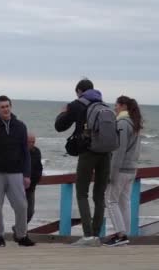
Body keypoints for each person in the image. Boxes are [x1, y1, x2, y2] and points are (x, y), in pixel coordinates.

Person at [55, 78, 110, 247]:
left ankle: (87, 237)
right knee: (99, 195)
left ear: (79, 91)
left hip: (88, 153)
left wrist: (63, 112)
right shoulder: (104, 106)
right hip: (106, 153)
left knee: (82, 193)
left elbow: (60, 126)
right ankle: (96, 235)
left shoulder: (76, 104)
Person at [0, 95, 34, 247]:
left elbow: (25, 152)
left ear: (11, 107)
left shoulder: (20, 126)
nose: (5, 109)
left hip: (16, 172)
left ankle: (21, 236)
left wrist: (27, 174)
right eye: (2, 107)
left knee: (22, 205)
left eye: (7, 106)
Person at [105, 96, 143, 247]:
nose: (114, 108)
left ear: (123, 106)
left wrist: (111, 174)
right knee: (124, 202)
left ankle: (121, 234)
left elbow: (118, 151)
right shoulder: (135, 123)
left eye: (116, 105)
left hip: (121, 169)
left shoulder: (122, 123)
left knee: (110, 200)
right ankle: (124, 234)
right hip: (132, 169)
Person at [26, 133, 43, 225]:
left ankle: (18, 228)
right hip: (20, 186)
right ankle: (21, 232)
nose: (31, 144)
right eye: (29, 142)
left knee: (30, 212)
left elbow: (39, 167)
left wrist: (37, 179)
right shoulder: (20, 151)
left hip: (32, 186)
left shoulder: (36, 151)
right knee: (21, 210)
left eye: (33, 142)